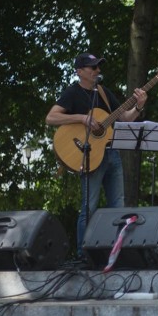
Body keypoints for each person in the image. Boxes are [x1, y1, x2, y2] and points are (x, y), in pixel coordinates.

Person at [46, 52, 148, 254]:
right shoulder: (72, 93)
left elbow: (125, 118)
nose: (97, 70)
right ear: (80, 71)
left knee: (118, 207)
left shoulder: (103, 92)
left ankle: (115, 251)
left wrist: (138, 105)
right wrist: (82, 118)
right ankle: (83, 254)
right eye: (93, 67)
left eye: (98, 67)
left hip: (112, 155)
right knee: (88, 208)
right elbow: (51, 117)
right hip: (88, 156)